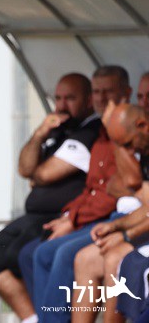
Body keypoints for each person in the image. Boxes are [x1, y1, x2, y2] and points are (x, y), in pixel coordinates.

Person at [0, 73, 100, 323]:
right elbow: (25, 169)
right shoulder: (56, 131)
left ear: (89, 100)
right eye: (58, 98)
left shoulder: (92, 130)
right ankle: (33, 319)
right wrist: (39, 134)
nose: (62, 105)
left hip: (60, 216)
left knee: (25, 255)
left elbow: (44, 174)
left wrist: (37, 174)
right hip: (33, 215)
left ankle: (51, 318)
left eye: (70, 98)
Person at [18, 65, 132, 323]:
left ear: (126, 93)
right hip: (96, 217)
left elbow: (117, 192)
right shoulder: (101, 134)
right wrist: (70, 215)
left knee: (64, 254)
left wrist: (74, 219)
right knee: (33, 252)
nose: (102, 98)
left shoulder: (128, 130)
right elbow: (92, 188)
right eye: (97, 92)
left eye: (108, 91)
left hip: (117, 219)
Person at [71, 74, 149, 323]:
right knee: (83, 259)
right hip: (135, 222)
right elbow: (116, 186)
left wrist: (125, 235)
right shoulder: (141, 147)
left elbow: (134, 187)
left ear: (142, 125)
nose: (129, 152)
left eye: (127, 145)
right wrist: (116, 226)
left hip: (141, 233)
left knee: (115, 259)